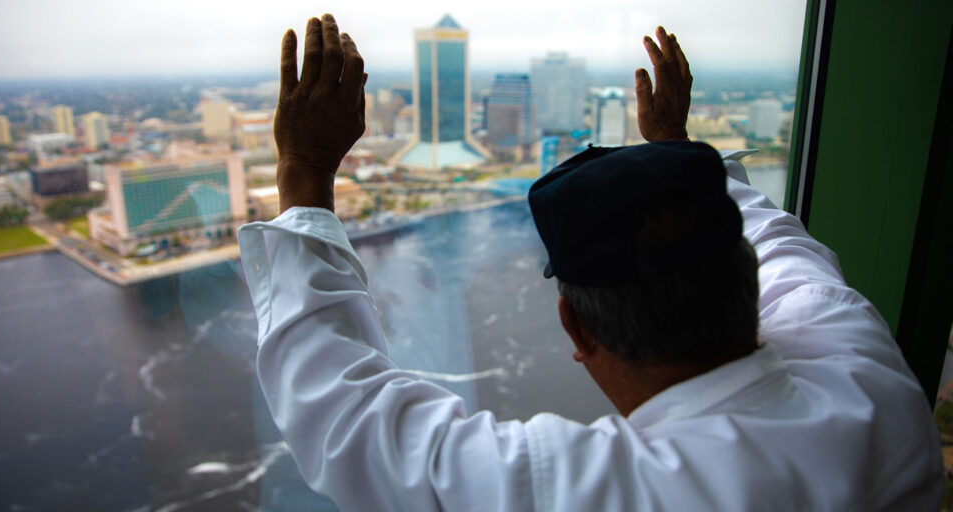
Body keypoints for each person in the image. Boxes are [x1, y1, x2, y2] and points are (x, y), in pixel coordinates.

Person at [238, 13, 943, 510]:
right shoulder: (863, 363)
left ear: (577, 329)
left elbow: (349, 419)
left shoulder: (603, 490)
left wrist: (302, 168)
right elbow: (786, 251)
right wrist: (674, 150)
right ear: (746, 281)